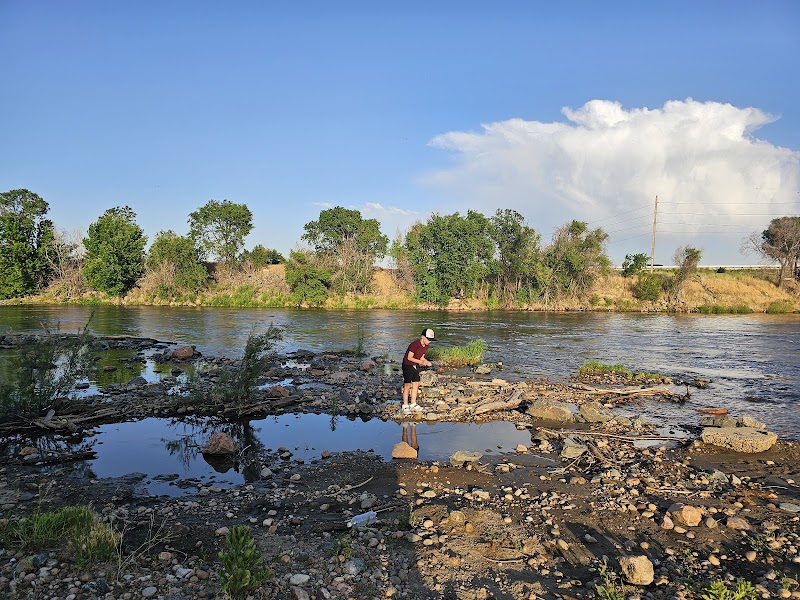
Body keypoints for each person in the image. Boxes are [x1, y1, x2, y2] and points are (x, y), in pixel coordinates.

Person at [401, 328, 435, 415]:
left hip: (415, 365)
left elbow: (421, 357)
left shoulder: (426, 346)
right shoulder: (414, 345)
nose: (429, 341)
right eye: (428, 339)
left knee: (416, 383)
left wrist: (426, 361)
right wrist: (421, 362)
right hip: (407, 365)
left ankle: (413, 404)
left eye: (431, 340)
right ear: (423, 337)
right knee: (407, 385)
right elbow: (409, 357)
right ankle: (405, 405)